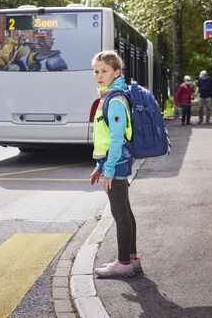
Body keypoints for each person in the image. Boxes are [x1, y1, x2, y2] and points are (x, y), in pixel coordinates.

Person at [90, 51, 141, 278]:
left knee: (120, 214)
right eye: (96, 71)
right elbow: (107, 137)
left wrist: (108, 169)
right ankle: (131, 259)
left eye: (104, 71)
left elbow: (117, 138)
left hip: (118, 163)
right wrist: (101, 166)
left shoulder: (116, 100)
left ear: (116, 72)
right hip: (114, 162)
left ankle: (123, 263)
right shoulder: (109, 96)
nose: (99, 75)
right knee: (126, 212)